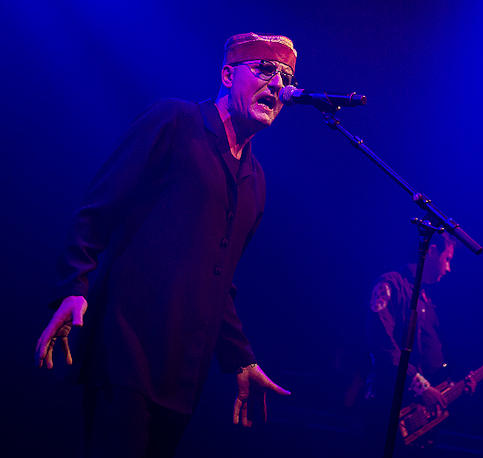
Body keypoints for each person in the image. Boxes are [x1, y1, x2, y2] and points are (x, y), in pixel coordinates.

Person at [34, 32, 297, 457]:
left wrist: (241, 358)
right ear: (228, 75)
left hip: (182, 374)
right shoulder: (176, 122)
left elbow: (219, 279)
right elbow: (99, 206)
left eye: (285, 77)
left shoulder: (256, 181)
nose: (278, 85)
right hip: (124, 348)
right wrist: (73, 285)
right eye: (265, 70)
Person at [364, 233, 475, 454]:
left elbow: (434, 360)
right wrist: (420, 386)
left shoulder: (426, 301)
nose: (448, 268)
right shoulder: (389, 285)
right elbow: (381, 344)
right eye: (447, 259)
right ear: (432, 252)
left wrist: (457, 384)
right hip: (387, 407)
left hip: (418, 419)